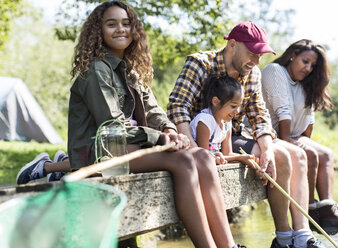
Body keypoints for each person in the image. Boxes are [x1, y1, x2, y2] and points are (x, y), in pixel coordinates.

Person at [16, 2, 246, 247]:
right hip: (101, 150)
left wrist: (168, 129)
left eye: (126, 23)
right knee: (185, 160)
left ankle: (228, 245)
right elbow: (112, 125)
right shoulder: (96, 70)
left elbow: (153, 110)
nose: (120, 29)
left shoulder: (130, 70)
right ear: (99, 31)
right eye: (111, 24)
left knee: (201, 156)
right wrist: (158, 138)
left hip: (128, 146)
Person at [167, 21, 324, 248]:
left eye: (260, 56)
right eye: (252, 53)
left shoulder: (253, 74)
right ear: (232, 44)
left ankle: (298, 237)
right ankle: (283, 238)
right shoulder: (200, 63)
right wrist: (194, 150)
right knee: (282, 156)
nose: (256, 61)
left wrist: (267, 150)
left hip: (232, 135)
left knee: (295, 155)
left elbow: (259, 117)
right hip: (200, 139)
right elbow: (177, 106)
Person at [261, 39, 338, 235]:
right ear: (292, 55)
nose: (308, 68)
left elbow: (308, 121)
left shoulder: (303, 84)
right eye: (305, 61)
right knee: (308, 153)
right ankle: (309, 212)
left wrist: (302, 140)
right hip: (267, 134)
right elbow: (283, 110)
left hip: (290, 135)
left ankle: (327, 211)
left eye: (312, 65)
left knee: (326, 154)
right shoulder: (275, 71)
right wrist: (290, 141)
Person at [190, 75, 258, 167]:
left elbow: (228, 153)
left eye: (239, 106)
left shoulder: (226, 123)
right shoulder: (205, 121)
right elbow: (204, 157)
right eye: (233, 106)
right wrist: (239, 158)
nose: (237, 111)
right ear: (216, 102)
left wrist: (246, 157)